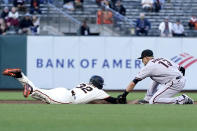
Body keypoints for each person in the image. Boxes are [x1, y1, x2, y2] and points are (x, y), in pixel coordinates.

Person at [2, 68, 123, 104]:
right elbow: (113, 101)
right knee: (36, 93)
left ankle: (20, 75)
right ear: (99, 84)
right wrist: (120, 99)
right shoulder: (99, 92)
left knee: (39, 93)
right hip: (66, 99)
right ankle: (31, 89)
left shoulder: (84, 83)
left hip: (63, 90)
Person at [117, 49, 194, 104]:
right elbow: (182, 69)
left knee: (154, 101)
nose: (142, 61)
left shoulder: (149, 66)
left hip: (174, 83)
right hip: (180, 79)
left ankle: (182, 99)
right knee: (154, 78)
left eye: (142, 59)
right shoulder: (162, 59)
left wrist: (124, 96)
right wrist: (180, 79)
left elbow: (133, 83)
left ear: (146, 58)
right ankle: (148, 98)